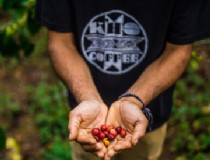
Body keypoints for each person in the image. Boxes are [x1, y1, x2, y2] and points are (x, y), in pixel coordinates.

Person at [35, 0, 210, 160]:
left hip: (147, 113)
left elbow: (178, 51)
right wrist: (88, 97)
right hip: (87, 120)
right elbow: (61, 43)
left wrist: (134, 100)